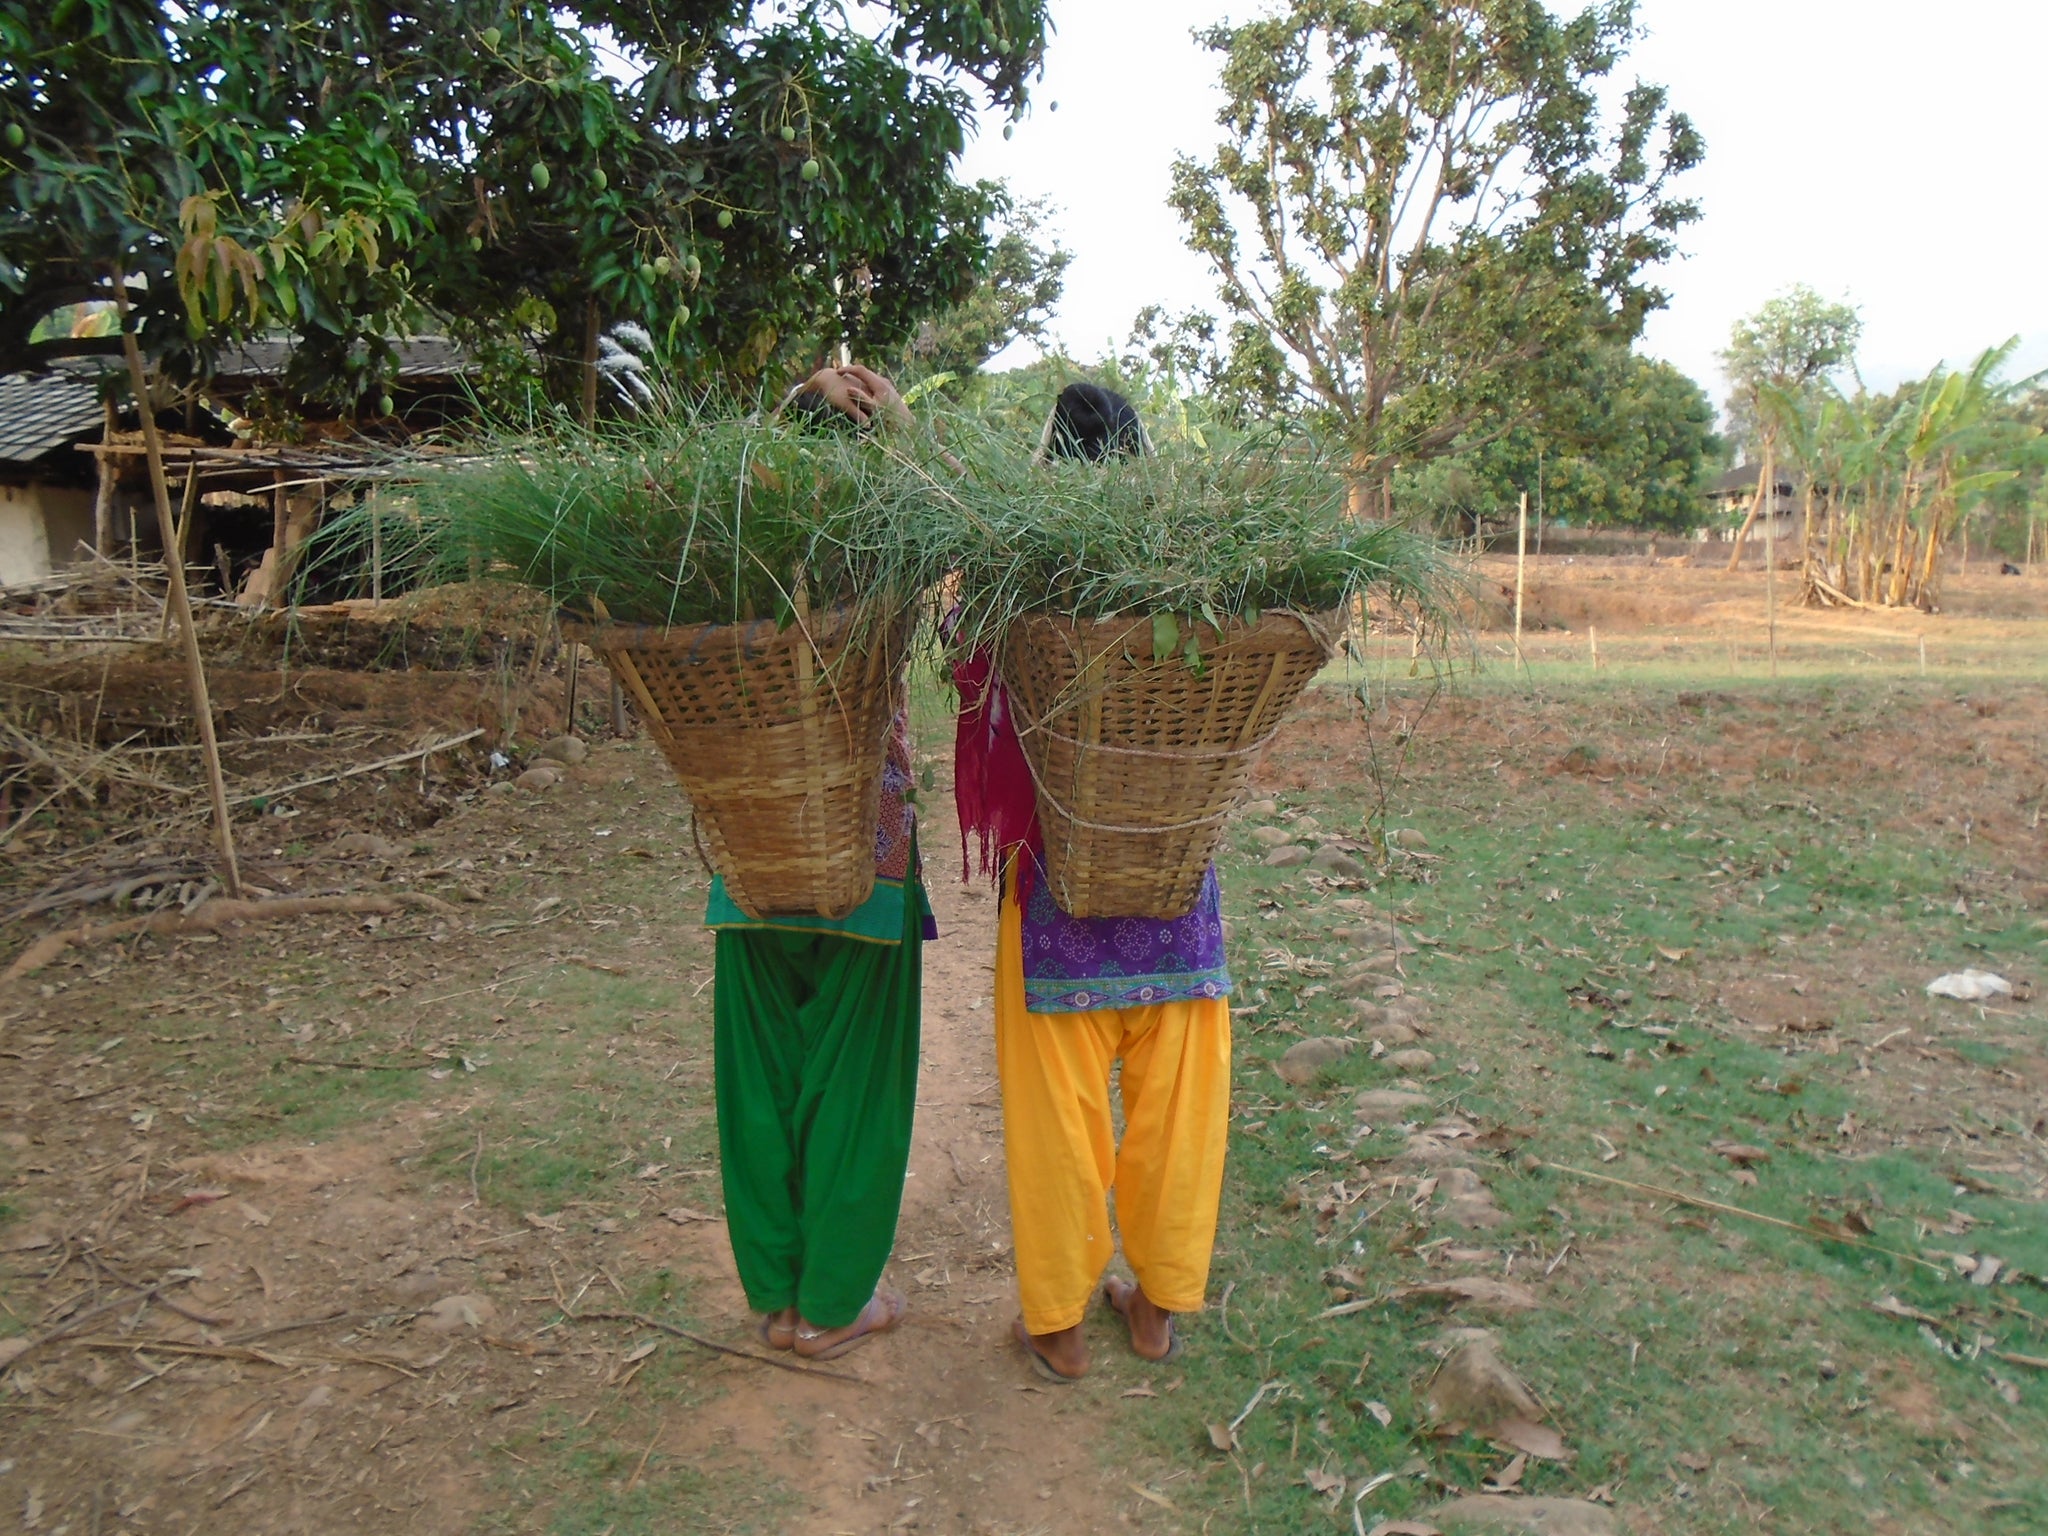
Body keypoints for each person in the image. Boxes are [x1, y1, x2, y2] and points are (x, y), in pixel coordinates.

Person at [954, 382, 1232, 1382]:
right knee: (1176, 1109)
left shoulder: (1019, 574)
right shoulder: (1199, 571)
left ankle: (1059, 1323)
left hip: (1055, 886)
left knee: (1055, 1118)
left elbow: (966, 665)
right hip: (1172, 888)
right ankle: (1154, 1306)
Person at [703, 363, 932, 1360]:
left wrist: (792, 401)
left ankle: (777, 1291)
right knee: (855, 1074)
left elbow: (718, 475)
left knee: (758, 1073)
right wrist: (905, 434)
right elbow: (956, 526)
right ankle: (835, 1301)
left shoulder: (717, 551)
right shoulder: (884, 549)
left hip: (747, 841)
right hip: (861, 845)